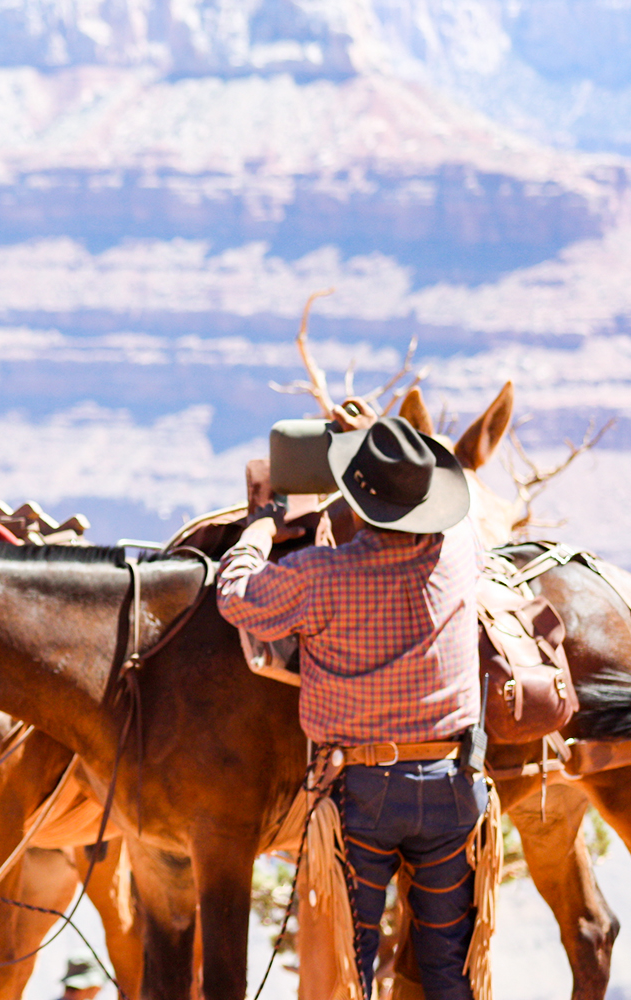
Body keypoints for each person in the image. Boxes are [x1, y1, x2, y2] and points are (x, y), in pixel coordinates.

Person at [216, 416, 484, 1000]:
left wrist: (259, 531)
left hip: (361, 791)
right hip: (454, 783)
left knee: (346, 966)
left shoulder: (321, 576)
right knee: (448, 971)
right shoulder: (460, 545)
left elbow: (235, 597)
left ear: (358, 505)